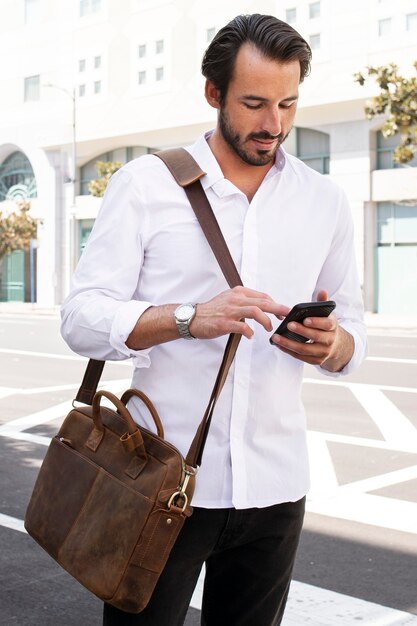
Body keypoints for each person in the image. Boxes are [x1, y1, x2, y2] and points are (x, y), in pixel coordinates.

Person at [61, 13, 367, 626]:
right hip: (157, 480)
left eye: (287, 103)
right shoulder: (145, 185)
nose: (274, 124)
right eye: (254, 103)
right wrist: (187, 318)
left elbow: (354, 340)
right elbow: (81, 318)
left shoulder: (324, 201)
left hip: (276, 488)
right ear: (213, 94)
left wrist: (330, 345)